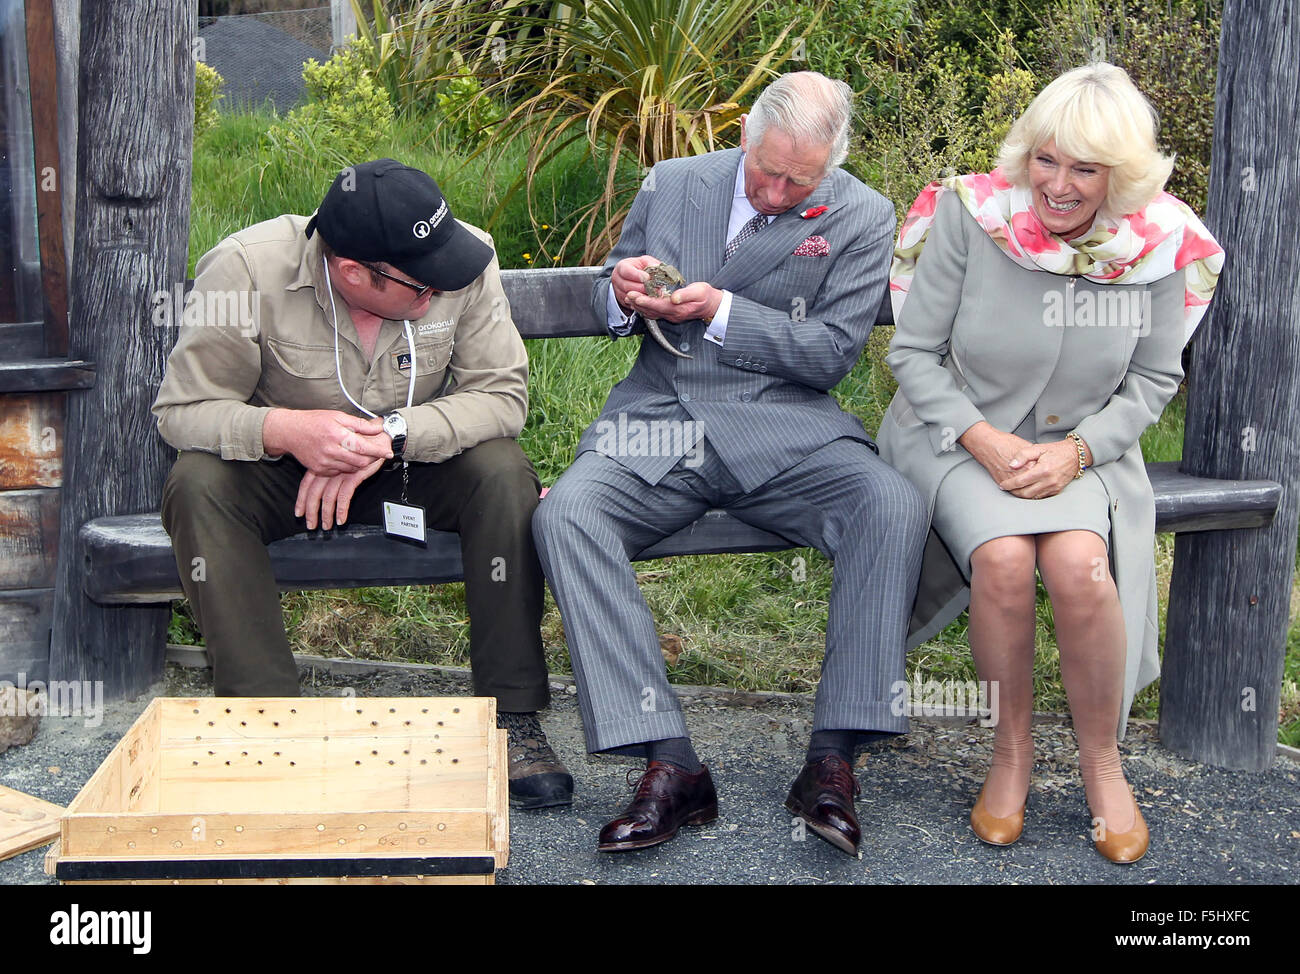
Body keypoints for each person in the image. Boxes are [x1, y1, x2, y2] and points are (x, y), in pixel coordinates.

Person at [532, 71, 928, 857]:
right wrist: (619, 293)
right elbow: (612, 298)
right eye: (766, 170)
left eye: (798, 180)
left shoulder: (862, 213)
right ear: (745, 135)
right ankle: (670, 764)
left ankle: (833, 760)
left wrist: (718, 311)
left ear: (831, 164)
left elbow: (830, 354)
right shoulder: (674, 181)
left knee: (891, 503)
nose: (778, 191)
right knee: (565, 514)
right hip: (661, 419)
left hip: (786, 427)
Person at [877, 63, 1224, 862]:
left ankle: (1103, 764)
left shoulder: (1161, 243)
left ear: (1122, 176)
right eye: (1046, 159)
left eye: (1085, 169)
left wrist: (1077, 452)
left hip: (1087, 451)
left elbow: (1153, 379)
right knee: (1001, 559)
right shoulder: (971, 216)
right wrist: (985, 441)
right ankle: (1011, 757)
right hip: (958, 436)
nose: (1058, 186)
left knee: (1079, 567)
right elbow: (916, 354)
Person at [152, 159, 573, 810]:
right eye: (421, 285)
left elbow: (501, 396)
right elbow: (183, 412)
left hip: (411, 458)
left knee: (502, 471)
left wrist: (392, 434)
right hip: (283, 472)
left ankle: (511, 717)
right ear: (354, 273)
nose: (440, 287)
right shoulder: (244, 270)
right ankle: (269, 726)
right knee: (197, 483)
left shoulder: (462, 258)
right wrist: (290, 429)